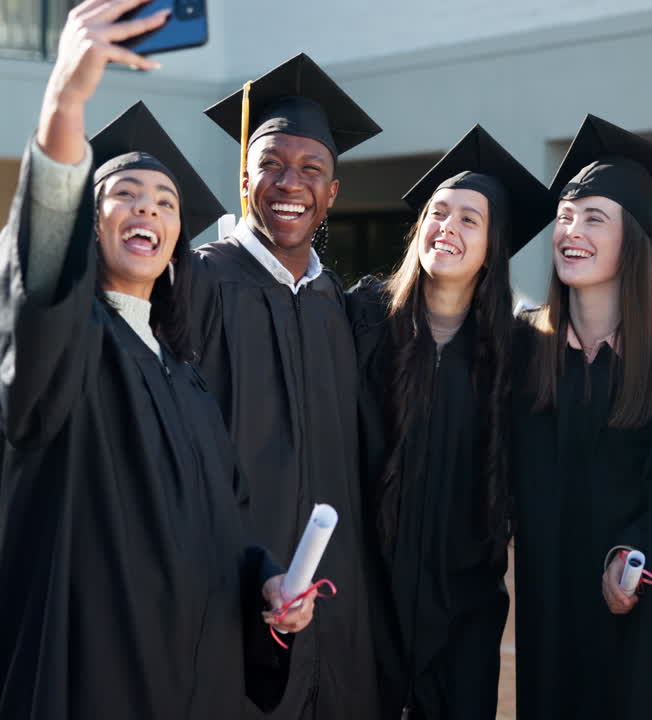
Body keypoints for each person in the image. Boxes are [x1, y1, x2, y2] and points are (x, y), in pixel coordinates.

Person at [0, 3, 315, 716]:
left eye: (166, 203)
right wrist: (66, 102)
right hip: (97, 678)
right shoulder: (74, 348)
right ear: (86, 220)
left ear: (176, 246)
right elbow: (40, 282)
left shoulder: (186, 379)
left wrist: (267, 583)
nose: (149, 211)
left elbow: (226, 527)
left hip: (196, 684)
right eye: (123, 195)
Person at [195, 53, 384, 717]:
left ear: (333, 192)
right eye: (271, 163)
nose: (289, 183)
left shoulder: (340, 303)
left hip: (336, 606)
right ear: (244, 175)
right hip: (227, 594)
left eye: (312, 170)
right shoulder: (200, 283)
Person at [347, 126, 553, 719]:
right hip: (368, 596)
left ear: (494, 244)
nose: (448, 227)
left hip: (465, 602)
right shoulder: (363, 320)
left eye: (470, 219)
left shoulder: (517, 352)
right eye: (438, 212)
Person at [509, 114, 652, 720]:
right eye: (565, 217)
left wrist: (636, 551)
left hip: (631, 596)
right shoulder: (524, 347)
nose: (571, 230)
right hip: (547, 600)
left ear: (633, 238)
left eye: (594, 218)